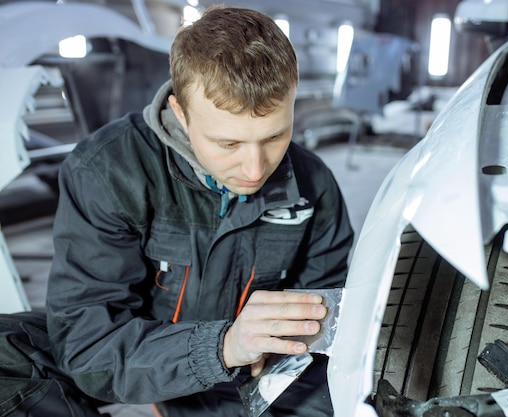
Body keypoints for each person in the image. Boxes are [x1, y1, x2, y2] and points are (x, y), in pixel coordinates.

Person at [0, 5, 353, 417]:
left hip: (249, 370)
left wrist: (278, 351)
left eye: (275, 135)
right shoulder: (108, 169)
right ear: (182, 114)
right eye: (228, 144)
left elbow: (326, 322)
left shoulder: (314, 185)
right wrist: (221, 346)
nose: (256, 169)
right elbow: (88, 345)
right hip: (145, 353)